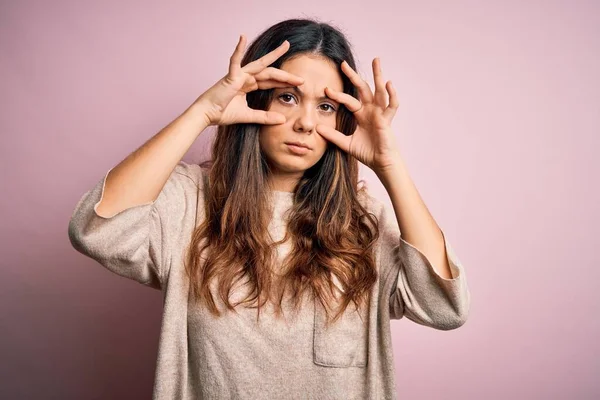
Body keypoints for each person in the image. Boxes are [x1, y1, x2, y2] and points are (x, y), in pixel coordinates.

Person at [68, 17, 470, 400]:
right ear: (257, 98)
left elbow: (444, 307)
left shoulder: (361, 223)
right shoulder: (189, 201)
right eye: (288, 98)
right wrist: (203, 112)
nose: (306, 123)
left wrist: (389, 164)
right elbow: (97, 229)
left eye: (326, 106)